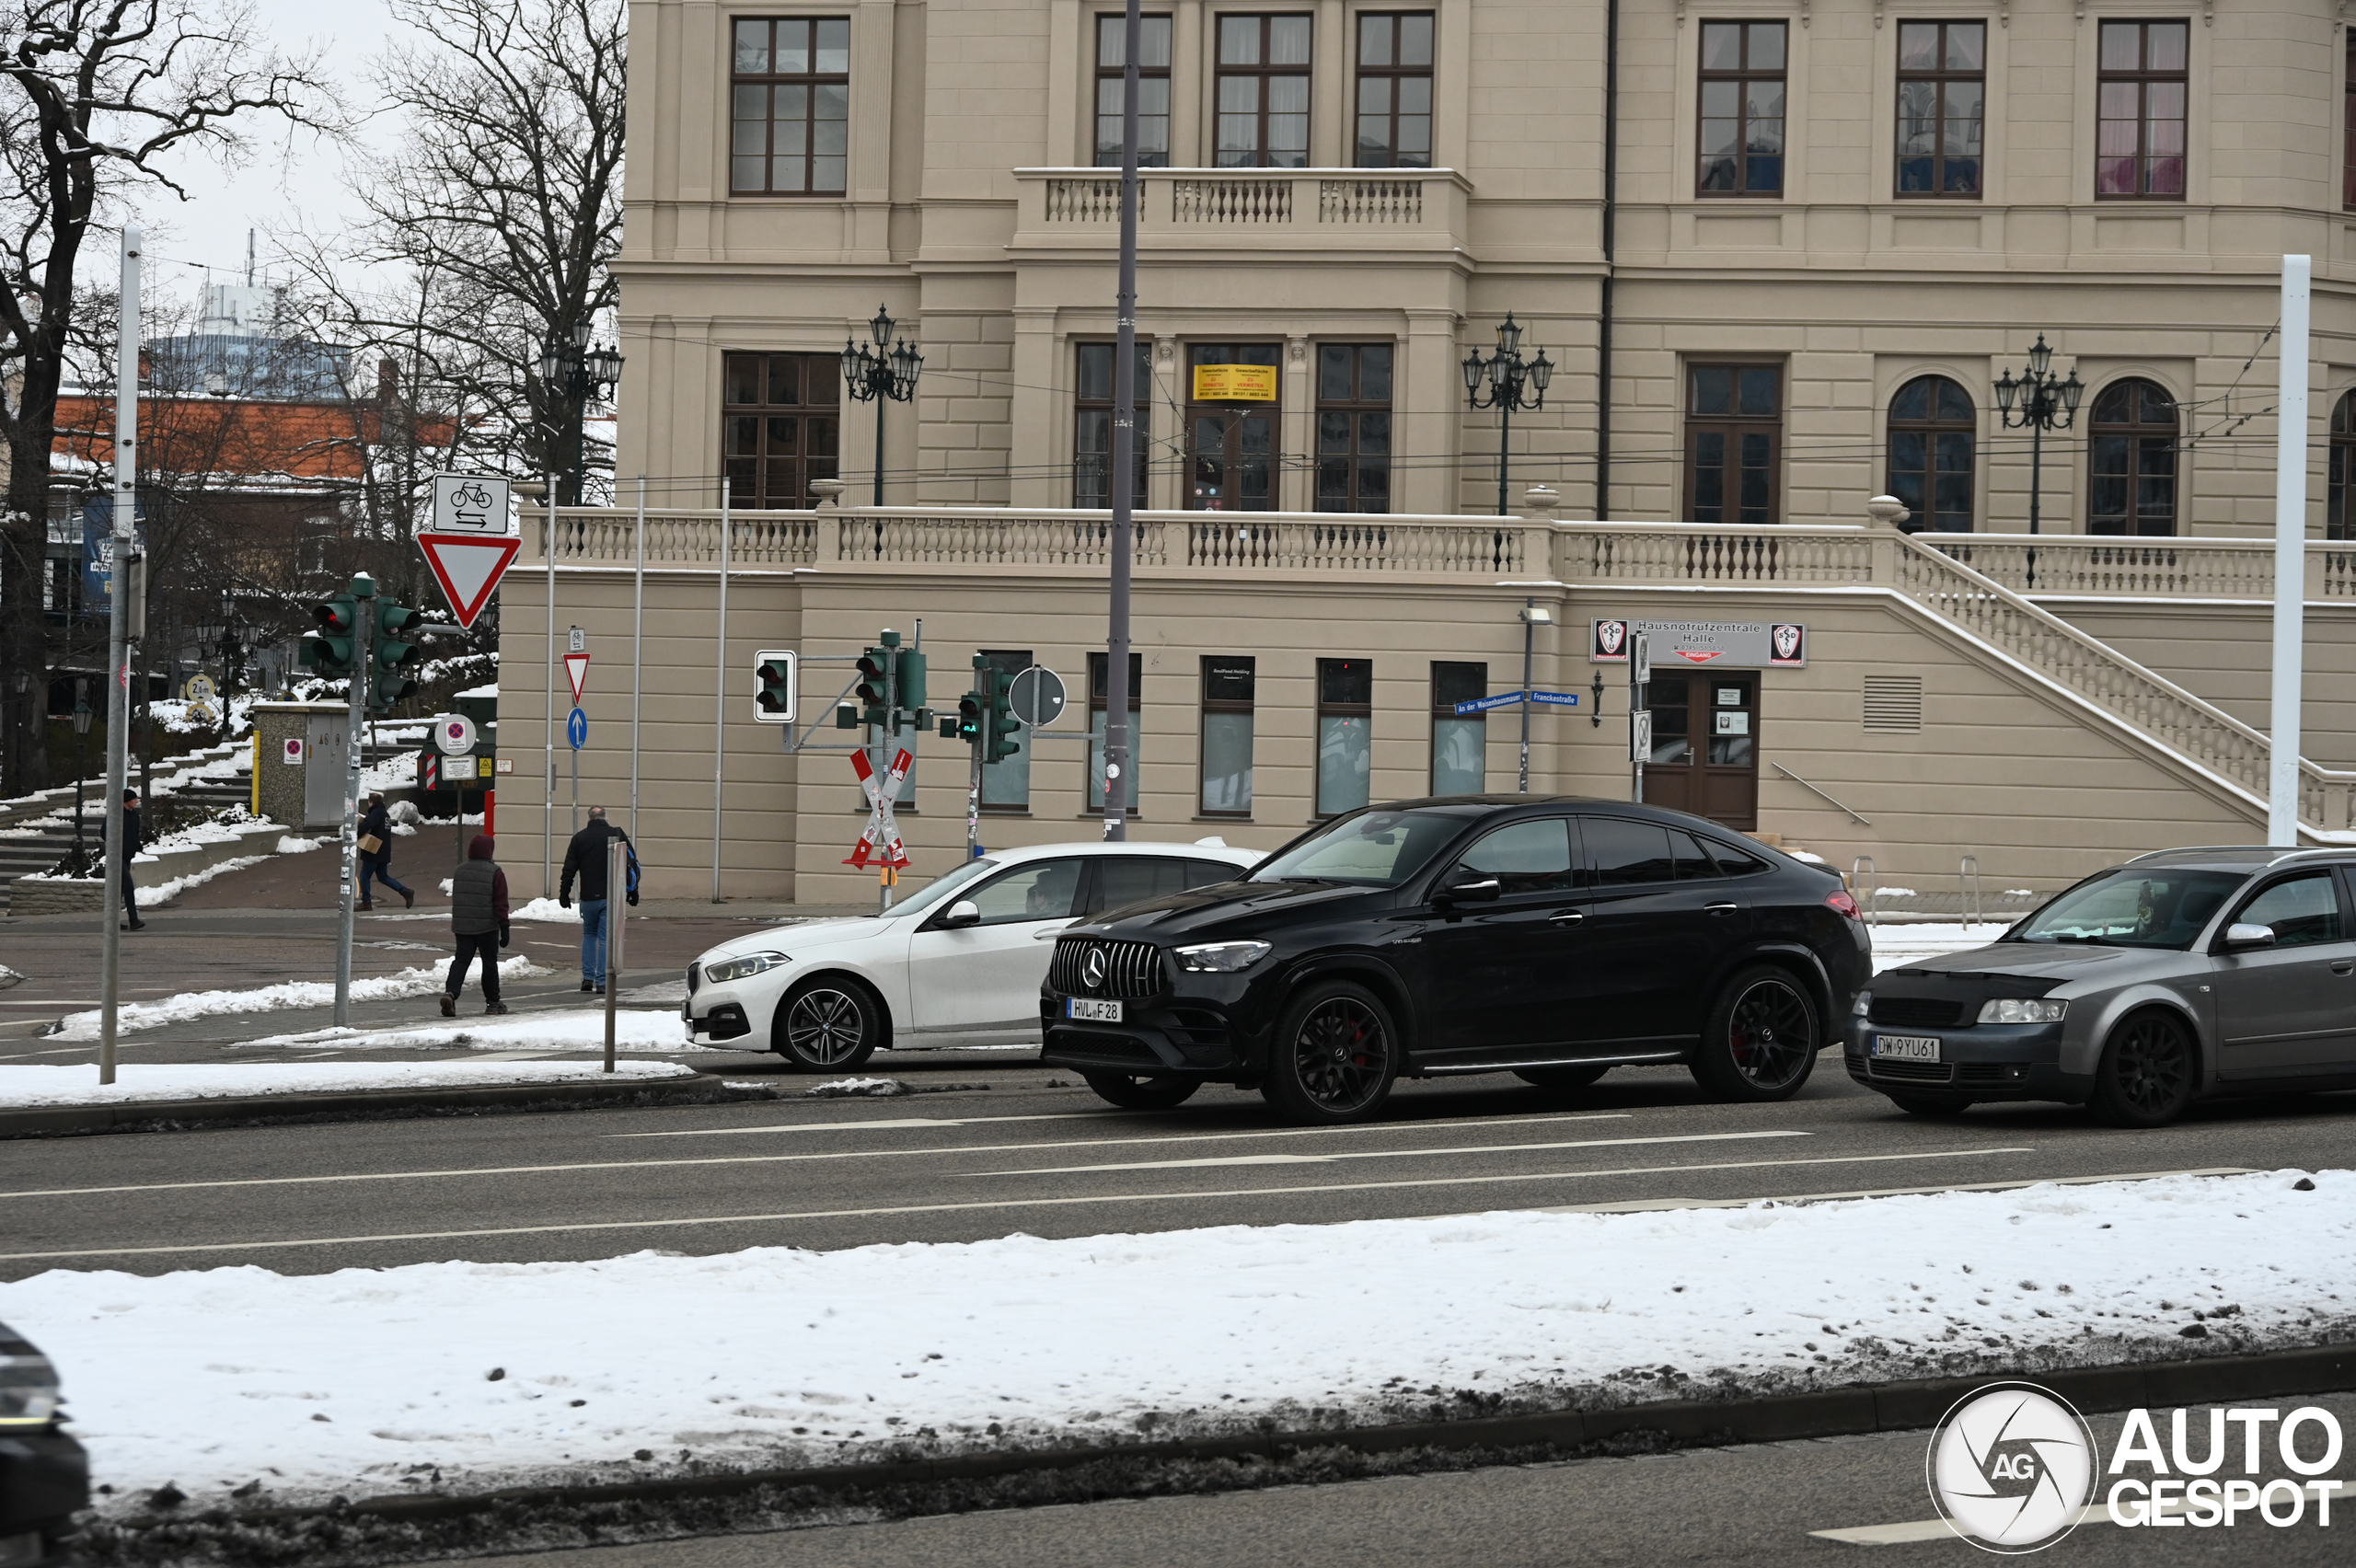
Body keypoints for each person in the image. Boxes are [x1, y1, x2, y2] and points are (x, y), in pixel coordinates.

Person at [560, 804, 640, 994]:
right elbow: (631, 863)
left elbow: (569, 869)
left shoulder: (579, 838)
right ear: (606, 818)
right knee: (605, 939)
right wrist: (634, 891)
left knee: (589, 935)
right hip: (610, 896)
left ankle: (588, 978)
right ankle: (602, 982)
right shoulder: (617, 834)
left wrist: (564, 893)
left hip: (588, 897)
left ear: (588, 819)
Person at [441, 833, 510, 1016]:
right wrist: (504, 926)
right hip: (487, 926)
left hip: (463, 926)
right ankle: (493, 1002)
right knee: (489, 963)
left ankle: (451, 993)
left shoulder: (459, 871)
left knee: (461, 960)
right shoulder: (495, 872)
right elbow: (500, 902)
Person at [356, 792, 415, 911]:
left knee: (364, 877)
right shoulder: (384, 814)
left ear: (371, 802)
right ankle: (405, 891)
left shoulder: (376, 813)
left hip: (373, 849)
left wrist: (357, 832)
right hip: (383, 850)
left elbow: (369, 825)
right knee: (383, 876)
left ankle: (366, 902)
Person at [118, 788, 144, 932]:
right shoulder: (117, 815)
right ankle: (133, 920)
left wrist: (137, 845)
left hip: (127, 855)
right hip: (117, 857)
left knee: (120, 889)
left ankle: (113, 920)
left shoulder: (134, 816)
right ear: (127, 801)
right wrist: (115, 845)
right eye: (134, 799)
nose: (136, 801)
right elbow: (104, 832)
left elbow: (134, 834)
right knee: (128, 885)